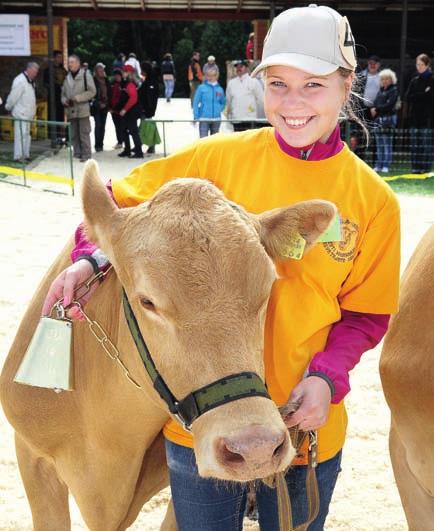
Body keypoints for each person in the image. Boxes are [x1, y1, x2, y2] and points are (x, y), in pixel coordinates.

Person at [42, 5, 400, 530]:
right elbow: (117, 207)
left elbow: (367, 316)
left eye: (314, 85)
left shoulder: (374, 201)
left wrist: (328, 378)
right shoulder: (215, 159)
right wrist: (88, 258)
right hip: (199, 424)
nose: (292, 103)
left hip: (300, 430)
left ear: (348, 85)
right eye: (277, 84)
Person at [61, 54, 96, 162]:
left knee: (84, 133)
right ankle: (77, 153)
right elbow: (63, 93)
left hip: (82, 110)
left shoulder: (86, 75)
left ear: (77, 63)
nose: (69, 64)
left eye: (71, 62)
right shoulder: (67, 77)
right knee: (74, 134)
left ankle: (86, 155)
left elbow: (92, 92)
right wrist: (64, 100)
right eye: (68, 62)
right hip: (71, 110)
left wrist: (78, 98)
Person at [405, 53, 434, 174]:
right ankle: (415, 167)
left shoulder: (432, 79)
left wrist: (420, 96)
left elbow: (430, 97)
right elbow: (407, 96)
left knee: (426, 144)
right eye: (417, 64)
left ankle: (425, 168)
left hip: (427, 117)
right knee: (415, 144)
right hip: (415, 116)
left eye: (421, 64)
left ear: (427, 65)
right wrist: (423, 94)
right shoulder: (415, 79)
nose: (419, 67)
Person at [5, 62, 39, 162]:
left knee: (27, 135)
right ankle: (18, 156)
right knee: (20, 135)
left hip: (28, 114)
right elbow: (13, 97)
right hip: (21, 113)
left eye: (36, 72)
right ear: (28, 70)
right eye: (34, 72)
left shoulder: (31, 81)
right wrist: (8, 107)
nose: (35, 74)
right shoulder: (20, 81)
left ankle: (25, 154)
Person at [371, 69, 399, 173]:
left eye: (387, 79)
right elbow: (375, 102)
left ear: (392, 79)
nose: (385, 81)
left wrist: (377, 109)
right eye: (383, 79)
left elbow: (389, 105)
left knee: (387, 144)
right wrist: (374, 108)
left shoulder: (394, 90)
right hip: (378, 120)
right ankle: (378, 165)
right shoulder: (381, 90)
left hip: (388, 120)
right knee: (379, 145)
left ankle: (386, 166)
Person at [225, 59, 264, 131]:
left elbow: (261, 100)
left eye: (241, 67)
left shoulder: (253, 81)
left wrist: (259, 116)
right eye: (237, 67)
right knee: (238, 141)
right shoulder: (231, 83)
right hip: (236, 118)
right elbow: (228, 101)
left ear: (246, 68)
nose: (238, 69)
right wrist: (228, 115)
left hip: (250, 118)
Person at [117, 64, 143, 159]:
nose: (122, 73)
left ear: (128, 73)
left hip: (131, 111)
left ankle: (139, 152)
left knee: (133, 131)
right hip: (129, 111)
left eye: (124, 72)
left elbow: (133, 98)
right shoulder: (128, 83)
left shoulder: (130, 84)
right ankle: (127, 150)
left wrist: (124, 109)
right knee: (124, 130)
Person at [193, 66, 225, 138]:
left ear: (216, 76)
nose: (210, 77)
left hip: (217, 119)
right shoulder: (201, 88)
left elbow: (223, 102)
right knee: (203, 141)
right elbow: (195, 102)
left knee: (214, 142)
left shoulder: (220, 89)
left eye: (212, 75)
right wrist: (196, 116)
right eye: (208, 75)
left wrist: (219, 109)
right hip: (204, 118)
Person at [43, 50, 67, 143]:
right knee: (53, 115)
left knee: (61, 116)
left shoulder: (63, 70)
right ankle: (53, 137)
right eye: (58, 57)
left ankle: (60, 137)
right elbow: (45, 83)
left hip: (61, 96)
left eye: (61, 57)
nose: (60, 59)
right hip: (53, 96)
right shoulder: (48, 70)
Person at [138, 61, 159, 154]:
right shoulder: (149, 80)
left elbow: (150, 97)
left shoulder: (151, 81)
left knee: (144, 127)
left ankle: (140, 144)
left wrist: (148, 109)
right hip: (147, 108)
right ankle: (150, 146)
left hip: (147, 109)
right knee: (148, 126)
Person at [92, 62, 111, 152]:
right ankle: (97, 145)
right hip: (97, 106)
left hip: (105, 106)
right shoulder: (93, 81)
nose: (102, 72)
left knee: (103, 126)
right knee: (98, 125)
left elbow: (109, 93)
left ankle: (101, 144)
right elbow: (92, 94)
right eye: (100, 70)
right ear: (96, 71)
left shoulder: (106, 80)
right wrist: (98, 103)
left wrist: (107, 104)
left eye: (103, 70)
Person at [109, 68, 123, 149]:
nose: (117, 77)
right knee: (117, 127)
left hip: (121, 109)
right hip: (114, 109)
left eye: (118, 75)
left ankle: (122, 142)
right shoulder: (112, 84)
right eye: (115, 75)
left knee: (122, 127)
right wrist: (110, 108)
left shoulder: (123, 84)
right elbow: (110, 97)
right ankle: (120, 141)